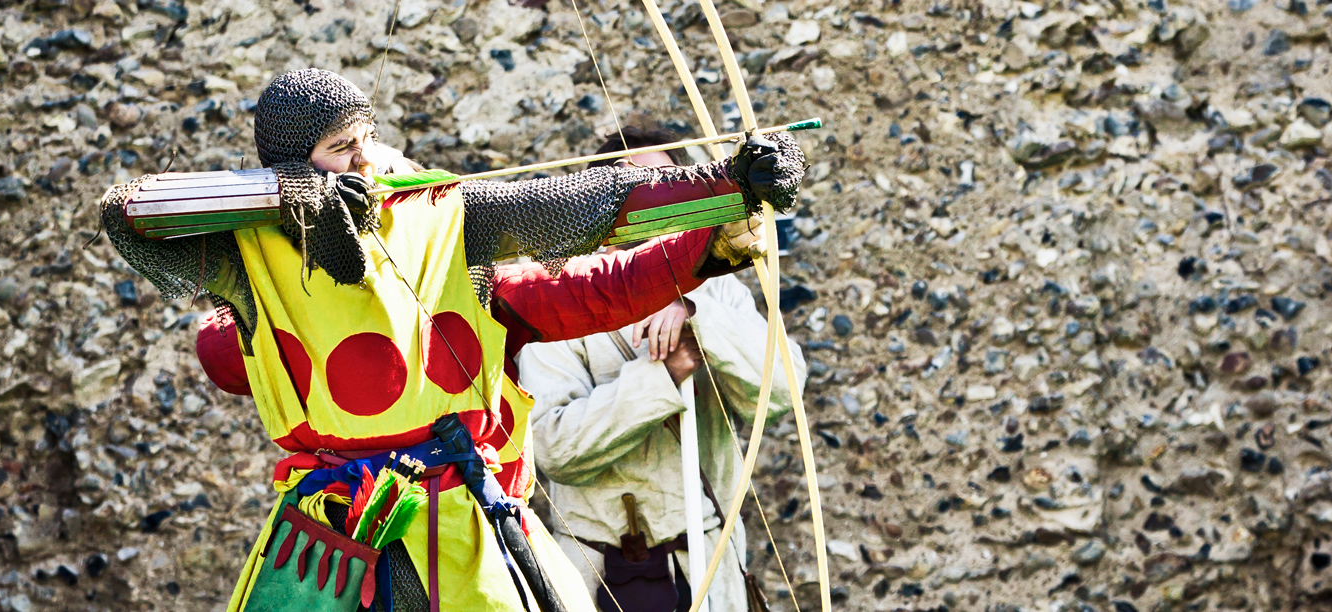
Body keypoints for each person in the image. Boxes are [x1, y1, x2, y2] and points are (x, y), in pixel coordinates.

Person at [97, 69, 806, 612]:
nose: (367, 161)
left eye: (368, 139)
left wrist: (730, 191)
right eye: (341, 149)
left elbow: (602, 229)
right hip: (329, 533)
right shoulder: (252, 254)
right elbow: (128, 215)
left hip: (466, 521)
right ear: (293, 162)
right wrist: (291, 206)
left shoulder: (444, 221)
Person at [518, 128, 806, 612]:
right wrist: (663, 375)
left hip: (707, 566)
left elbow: (783, 393)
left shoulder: (716, 291)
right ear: (597, 196)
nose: (649, 195)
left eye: (666, 181)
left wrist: (697, 313)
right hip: (599, 573)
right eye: (630, 182)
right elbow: (553, 448)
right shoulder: (553, 293)